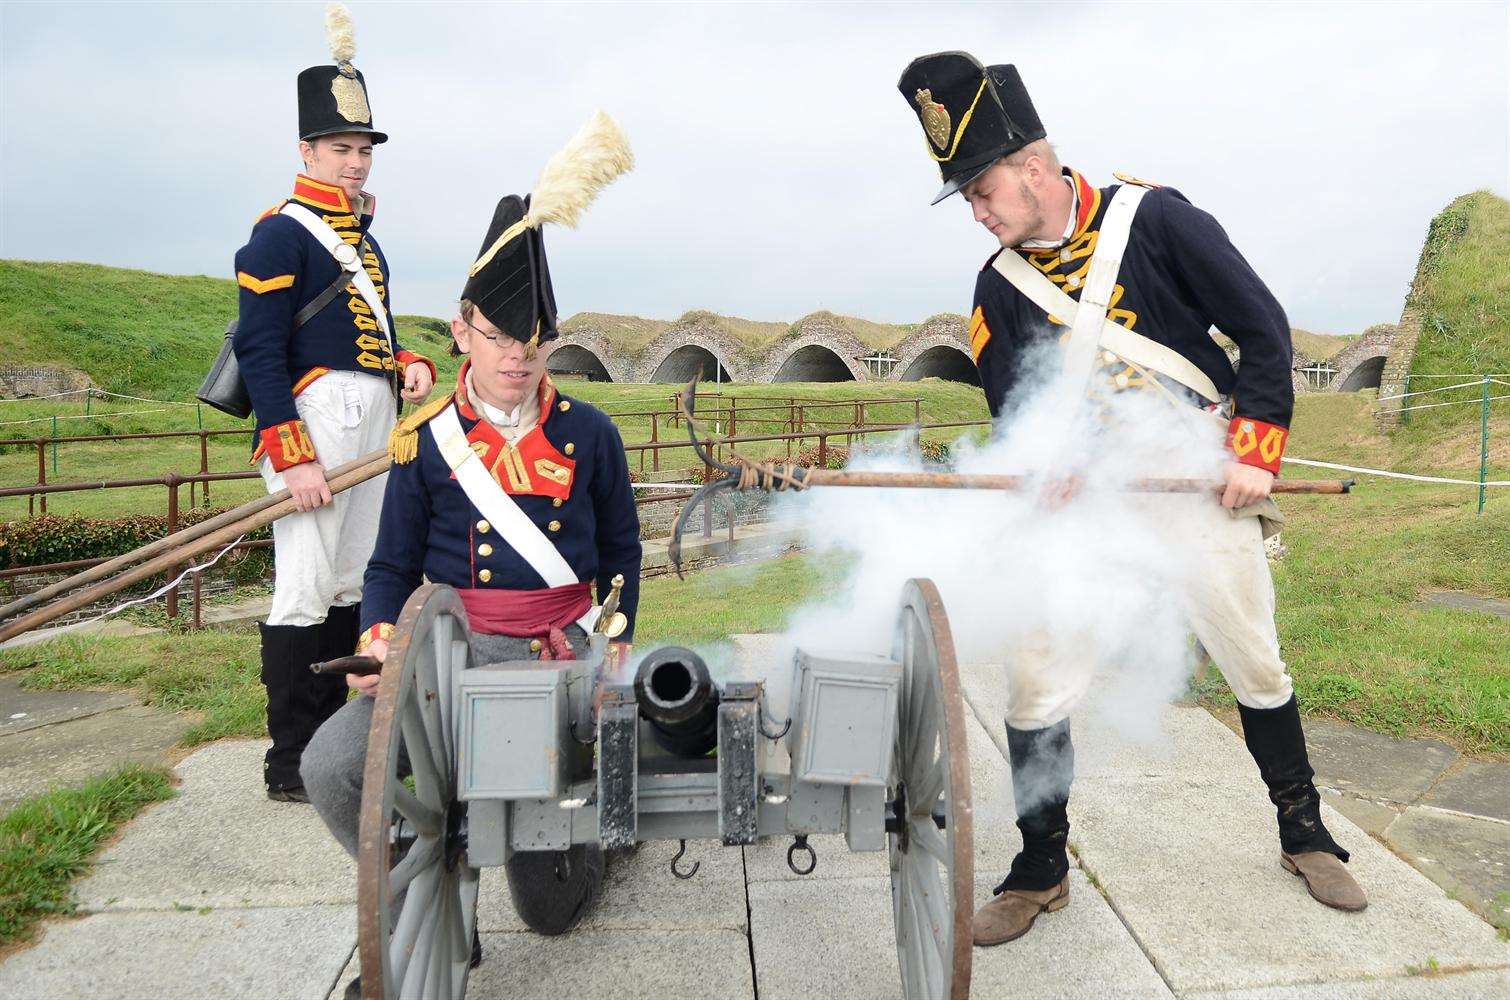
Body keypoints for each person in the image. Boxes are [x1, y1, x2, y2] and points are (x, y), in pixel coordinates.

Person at [896, 51, 1366, 947]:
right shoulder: (998, 286)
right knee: (1036, 678)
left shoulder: (1159, 221)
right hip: (1088, 511)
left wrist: (1255, 450)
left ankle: (1306, 834)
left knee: (1255, 661)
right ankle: (1041, 867)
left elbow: (1262, 329)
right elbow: (1016, 413)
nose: (979, 214)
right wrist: (1048, 465)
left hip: (1194, 477)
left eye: (984, 191)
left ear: (1033, 167)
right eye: (967, 200)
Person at [300, 111, 637, 993]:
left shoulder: (592, 435)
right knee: (329, 766)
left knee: (550, 911)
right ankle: (427, 878)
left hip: (555, 654)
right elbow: (386, 569)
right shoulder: (424, 442)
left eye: (532, 343)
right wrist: (377, 645)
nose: (515, 360)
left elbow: (625, 552)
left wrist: (616, 643)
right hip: (448, 655)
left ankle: (606, 831)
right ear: (462, 332)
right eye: (497, 339)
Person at [233, 3, 434, 802]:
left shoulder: (363, 237)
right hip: (314, 428)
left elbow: (365, 335)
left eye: (363, 150)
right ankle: (293, 764)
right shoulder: (280, 234)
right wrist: (294, 456)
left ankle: (346, 751)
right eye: (341, 149)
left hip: (372, 421)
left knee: (357, 580)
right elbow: (261, 349)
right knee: (305, 588)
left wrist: (409, 361)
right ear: (307, 150)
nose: (356, 163)